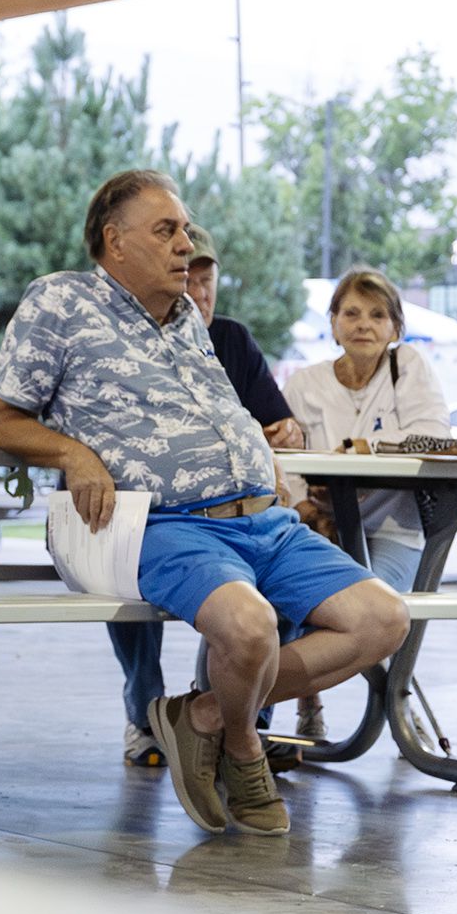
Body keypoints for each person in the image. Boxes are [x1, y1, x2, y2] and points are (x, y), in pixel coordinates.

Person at [0, 170, 409, 836]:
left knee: (382, 619)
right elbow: (1, 420)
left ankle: (205, 714)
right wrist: (74, 454)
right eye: (167, 230)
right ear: (113, 240)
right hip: (166, 523)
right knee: (249, 628)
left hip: (265, 520)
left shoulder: (187, 318)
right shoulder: (61, 301)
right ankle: (242, 746)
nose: (186, 244)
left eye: (184, 228)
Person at [109, 223, 305, 764]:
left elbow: (280, 423)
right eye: (186, 276)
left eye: (206, 278)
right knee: (133, 563)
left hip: (238, 517)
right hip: (150, 514)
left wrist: (287, 432)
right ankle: (146, 713)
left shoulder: (232, 340)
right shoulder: (121, 340)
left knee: (276, 574)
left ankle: (232, 717)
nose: (197, 291)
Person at [281, 267, 445, 593]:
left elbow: (434, 436)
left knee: (365, 605)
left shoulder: (408, 366)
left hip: (392, 530)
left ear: (396, 328)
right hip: (315, 528)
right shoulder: (304, 383)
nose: (363, 325)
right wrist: (304, 506)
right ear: (333, 323)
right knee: (292, 604)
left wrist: (360, 447)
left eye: (378, 315)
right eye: (351, 313)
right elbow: (283, 457)